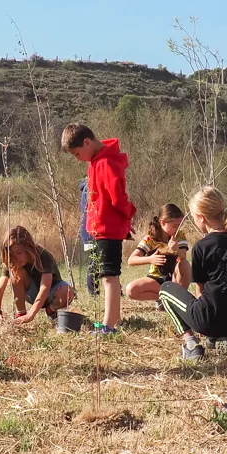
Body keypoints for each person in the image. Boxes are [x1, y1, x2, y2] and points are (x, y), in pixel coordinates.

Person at [158, 187, 227, 361]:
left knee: (165, 289)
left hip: (209, 321)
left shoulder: (203, 246)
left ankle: (191, 344)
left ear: (201, 218)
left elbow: (200, 291)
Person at [63, 123, 136, 336]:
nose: (78, 158)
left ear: (87, 142)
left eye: (77, 153)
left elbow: (117, 198)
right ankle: (115, 319)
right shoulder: (95, 162)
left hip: (109, 228)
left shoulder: (105, 164)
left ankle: (109, 326)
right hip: (100, 227)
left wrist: (130, 211)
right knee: (107, 274)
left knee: (109, 276)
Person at [0, 226, 74, 324]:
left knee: (67, 291)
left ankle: (50, 310)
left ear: (28, 246)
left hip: (52, 292)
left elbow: (45, 288)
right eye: (11, 255)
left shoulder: (43, 256)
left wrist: (31, 315)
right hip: (32, 294)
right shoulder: (12, 262)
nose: (16, 258)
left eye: (19, 252)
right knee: (15, 273)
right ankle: (21, 315)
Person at [125, 204, 190, 302]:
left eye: (179, 225)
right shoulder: (150, 239)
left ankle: (178, 300)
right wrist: (150, 259)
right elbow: (131, 260)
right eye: (175, 226)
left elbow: (183, 258)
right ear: (162, 222)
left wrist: (177, 249)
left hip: (175, 278)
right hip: (156, 279)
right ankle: (164, 299)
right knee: (131, 290)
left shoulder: (180, 236)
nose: (177, 229)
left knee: (185, 265)